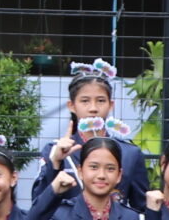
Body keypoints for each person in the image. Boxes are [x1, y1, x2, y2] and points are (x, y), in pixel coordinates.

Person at [41, 59, 149, 198]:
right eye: (85, 101)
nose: (93, 108)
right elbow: (38, 203)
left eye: (101, 101)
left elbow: (140, 205)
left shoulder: (129, 153)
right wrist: (55, 163)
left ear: (111, 105)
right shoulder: (54, 150)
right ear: (71, 106)